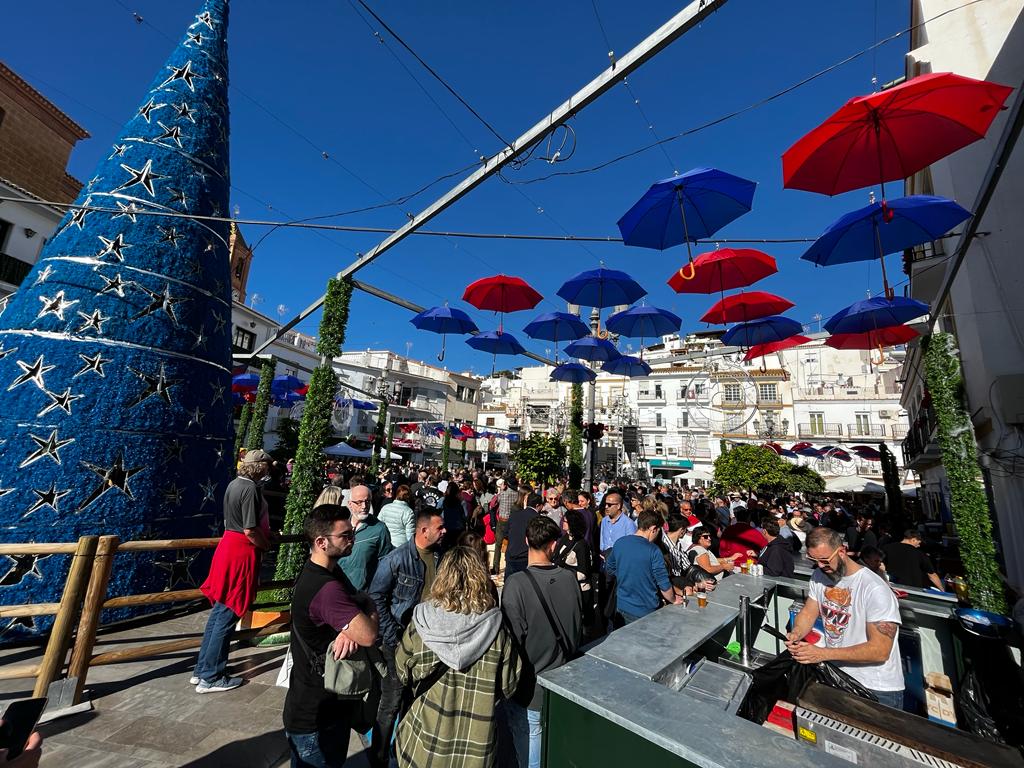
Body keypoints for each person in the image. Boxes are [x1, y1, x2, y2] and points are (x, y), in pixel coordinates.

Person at [395, 547, 521, 768]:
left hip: (423, 742)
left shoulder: (422, 620)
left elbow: (402, 671)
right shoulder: (496, 629)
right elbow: (509, 685)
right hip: (476, 749)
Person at [284, 504, 380, 766]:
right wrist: (369, 607)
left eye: (352, 533)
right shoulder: (326, 589)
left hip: (323, 706)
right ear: (321, 542)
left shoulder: (328, 571)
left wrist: (347, 627)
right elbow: (369, 634)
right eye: (345, 535)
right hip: (316, 717)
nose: (353, 540)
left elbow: (354, 604)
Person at [788, 527, 905, 710]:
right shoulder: (820, 575)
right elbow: (809, 612)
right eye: (814, 560)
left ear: (841, 551)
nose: (820, 566)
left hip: (875, 686)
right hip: (837, 675)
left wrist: (822, 654)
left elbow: (880, 650)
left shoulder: (874, 589)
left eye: (825, 560)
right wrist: (796, 633)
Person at [502, 516, 582, 768]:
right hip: (563, 682)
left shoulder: (515, 584)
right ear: (553, 545)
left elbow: (511, 642)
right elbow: (578, 624)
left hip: (529, 687)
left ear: (527, 541)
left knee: (530, 751)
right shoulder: (570, 579)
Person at [368, 507, 446, 768]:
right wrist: (392, 633)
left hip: (429, 642)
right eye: (440, 527)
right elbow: (376, 596)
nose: (445, 531)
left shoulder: (441, 557)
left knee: (415, 701)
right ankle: (378, 757)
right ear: (424, 531)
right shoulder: (397, 559)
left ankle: (403, 751)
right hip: (399, 641)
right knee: (391, 701)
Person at [193, 448, 273, 692]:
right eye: (267, 466)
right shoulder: (250, 489)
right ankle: (211, 675)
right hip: (241, 550)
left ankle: (202, 669)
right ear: (260, 467)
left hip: (229, 545)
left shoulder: (234, 484)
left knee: (219, 612)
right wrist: (266, 544)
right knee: (228, 614)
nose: (269, 470)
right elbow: (250, 529)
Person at [606, 509, 684, 624]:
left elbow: (610, 568)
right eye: (658, 531)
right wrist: (673, 599)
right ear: (653, 529)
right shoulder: (653, 550)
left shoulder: (620, 542)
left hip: (621, 606)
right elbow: (664, 584)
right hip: (645, 610)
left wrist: (625, 575)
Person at [340, 484, 393, 592]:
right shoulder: (340, 526)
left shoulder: (379, 529)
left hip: (363, 595)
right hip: (338, 592)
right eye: (359, 502)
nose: (364, 506)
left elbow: (386, 565)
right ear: (350, 504)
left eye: (367, 501)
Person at [553, 509, 596, 629]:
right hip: (565, 585)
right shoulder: (564, 538)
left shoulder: (581, 545)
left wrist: (562, 574)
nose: (562, 523)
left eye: (565, 521)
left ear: (572, 524)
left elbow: (584, 572)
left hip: (579, 589)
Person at [504, 493, 542, 578]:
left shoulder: (514, 515)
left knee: (509, 584)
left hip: (511, 555)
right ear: (538, 505)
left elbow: (505, 533)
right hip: (526, 558)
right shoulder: (537, 519)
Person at [490, 478, 519, 575]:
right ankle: (509, 566)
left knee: (498, 545)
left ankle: (495, 567)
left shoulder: (502, 493)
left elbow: (492, 504)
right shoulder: (517, 494)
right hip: (512, 522)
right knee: (510, 545)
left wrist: (500, 490)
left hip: (502, 521)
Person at [598, 490, 636, 557]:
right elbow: (602, 539)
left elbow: (631, 546)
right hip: (605, 558)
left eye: (609, 505)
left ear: (618, 506)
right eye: (605, 504)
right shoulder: (604, 520)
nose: (606, 507)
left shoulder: (628, 523)